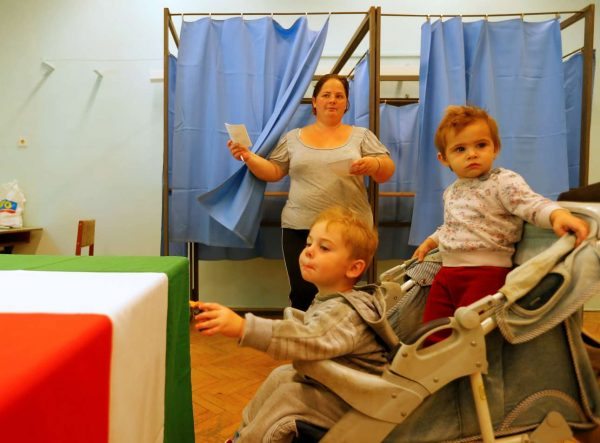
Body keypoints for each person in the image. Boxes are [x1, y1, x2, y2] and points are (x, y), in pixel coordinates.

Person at [192, 206, 398, 442]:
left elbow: (308, 340)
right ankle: (242, 436)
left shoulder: (344, 312)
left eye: (324, 248)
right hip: (338, 389)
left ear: (354, 268)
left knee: (290, 396)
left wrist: (243, 328)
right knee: (282, 376)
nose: (309, 251)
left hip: (357, 402)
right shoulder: (331, 300)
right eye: (309, 243)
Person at [227, 74, 395, 311]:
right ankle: (303, 333)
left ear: (346, 104)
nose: (332, 100)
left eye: (339, 96)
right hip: (300, 228)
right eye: (326, 95)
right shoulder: (293, 138)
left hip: (348, 231)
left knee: (343, 294)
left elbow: (386, 171)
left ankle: (340, 334)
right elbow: (274, 171)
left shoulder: (362, 136)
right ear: (314, 102)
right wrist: (247, 156)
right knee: (303, 292)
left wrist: (374, 164)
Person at [413, 105, 589, 330]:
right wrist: (431, 241)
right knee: (432, 330)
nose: (472, 154)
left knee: (473, 334)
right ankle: (434, 353)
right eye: (460, 149)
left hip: (486, 273)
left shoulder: (503, 181)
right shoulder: (451, 191)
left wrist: (557, 214)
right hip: (447, 272)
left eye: (481, 145)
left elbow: (531, 204)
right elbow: (453, 225)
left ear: (495, 148)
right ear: (444, 158)